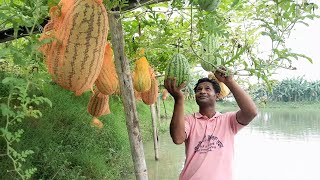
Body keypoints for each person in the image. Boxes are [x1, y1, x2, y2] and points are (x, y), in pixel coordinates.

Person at [164, 67, 258, 180]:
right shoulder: (189, 120)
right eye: (199, 90)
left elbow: (251, 112)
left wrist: (229, 81)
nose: (202, 91)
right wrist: (179, 99)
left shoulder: (228, 120)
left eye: (207, 89)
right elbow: (178, 138)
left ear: (217, 95)